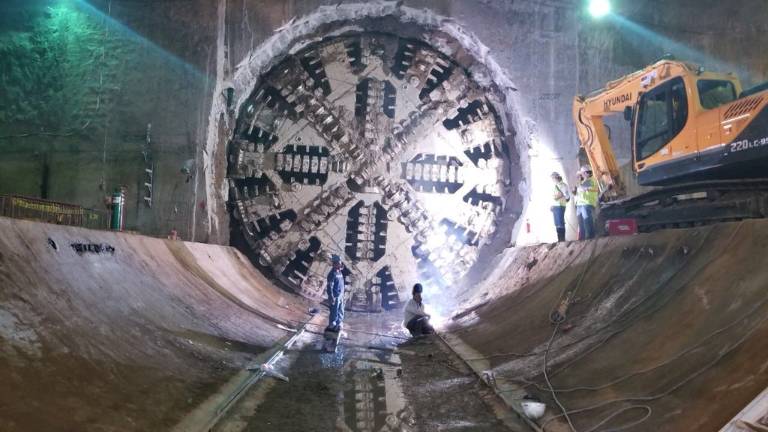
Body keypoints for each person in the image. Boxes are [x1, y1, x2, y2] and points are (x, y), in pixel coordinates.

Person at [574, 165, 599, 240]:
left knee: (587, 222)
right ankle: (582, 239)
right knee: (582, 223)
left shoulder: (591, 180)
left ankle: (590, 238)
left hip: (587, 204)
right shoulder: (585, 181)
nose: (581, 175)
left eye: (582, 173)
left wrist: (578, 180)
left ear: (585, 173)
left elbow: (581, 187)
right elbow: (578, 191)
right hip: (580, 204)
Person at [326, 254, 345, 332]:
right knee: (334, 311)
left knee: (340, 310)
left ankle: (339, 323)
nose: (340, 265)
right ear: (334, 264)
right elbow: (329, 286)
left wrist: (342, 294)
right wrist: (331, 296)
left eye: (340, 263)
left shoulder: (339, 272)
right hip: (335, 296)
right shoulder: (332, 274)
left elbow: (341, 283)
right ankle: (332, 326)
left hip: (340, 295)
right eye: (339, 263)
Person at [550, 172, 570, 242]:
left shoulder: (563, 185)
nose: (552, 180)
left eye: (553, 178)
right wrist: (552, 205)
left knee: (560, 223)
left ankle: (562, 239)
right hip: (556, 206)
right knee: (557, 223)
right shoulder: (556, 186)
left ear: (556, 177)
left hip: (560, 206)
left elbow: (565, 195)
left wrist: (557, 197)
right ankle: (560, 239)